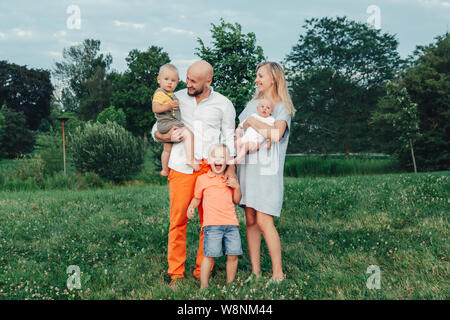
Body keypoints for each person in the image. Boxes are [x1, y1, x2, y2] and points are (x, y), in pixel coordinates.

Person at [152, 60, 237, 288]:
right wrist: (166, 137)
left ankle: (202, 269)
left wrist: (231, 170)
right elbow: (156, 129)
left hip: (210, 171)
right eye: (187, 78)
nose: (187, 83)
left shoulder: (224, 104)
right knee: (178, 221)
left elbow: (229, 138)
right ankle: (176, 273)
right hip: (181, 167)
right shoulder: (175, 97)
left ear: (208, 81)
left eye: (193, 80)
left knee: (208, 223)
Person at [237, 61, 296, 283]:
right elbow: (239, 132)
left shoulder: (282, 107)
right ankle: (255, 272)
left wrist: (252, 122)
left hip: (267, 172)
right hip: (247, 169)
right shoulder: (252, 104)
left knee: (264, 220)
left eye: (260, 76)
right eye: (256, 76)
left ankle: (278, 274)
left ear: (274, 77)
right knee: (250, 220)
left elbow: (275, 135)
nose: (256, 80)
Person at [187, 144, 242, 289]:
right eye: (215, 157)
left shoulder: (229, 179)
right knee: (209, 255)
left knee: (233, 255)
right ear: (209, 160)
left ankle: (230, 285)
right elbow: (197, 198)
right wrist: (191, 206)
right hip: (211, 226)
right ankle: (203, 286)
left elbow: (237, 200)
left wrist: (236, 187)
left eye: (222, 157)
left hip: (231, 224)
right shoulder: (203, 179)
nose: (218, 160)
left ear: (227, 161)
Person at [152, 64, 199, 176]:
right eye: (166, 79)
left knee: (167, 149)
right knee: (189, 134)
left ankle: (164, 170)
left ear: (177, 83)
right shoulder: (160, 93)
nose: (169, 82)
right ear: (159, 80)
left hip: (166, 125)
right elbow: (155, 108)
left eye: (173, 80)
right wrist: (169, 106)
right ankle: (190, 159)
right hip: (168, 123)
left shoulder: (170, 94)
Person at [234, 97, 275, 165]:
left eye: (268, 108)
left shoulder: (271, 120)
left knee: (246, 146)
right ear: (257, 108)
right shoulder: (254, 116)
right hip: (246, 138)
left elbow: (271, 132)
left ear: (271, 111)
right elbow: (243, 123)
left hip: (256, 142)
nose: (265, 109)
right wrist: (239, 128)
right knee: (236, 143)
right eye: (262, 107)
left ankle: (240, 157)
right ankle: (240, 156)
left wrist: (269, 142)